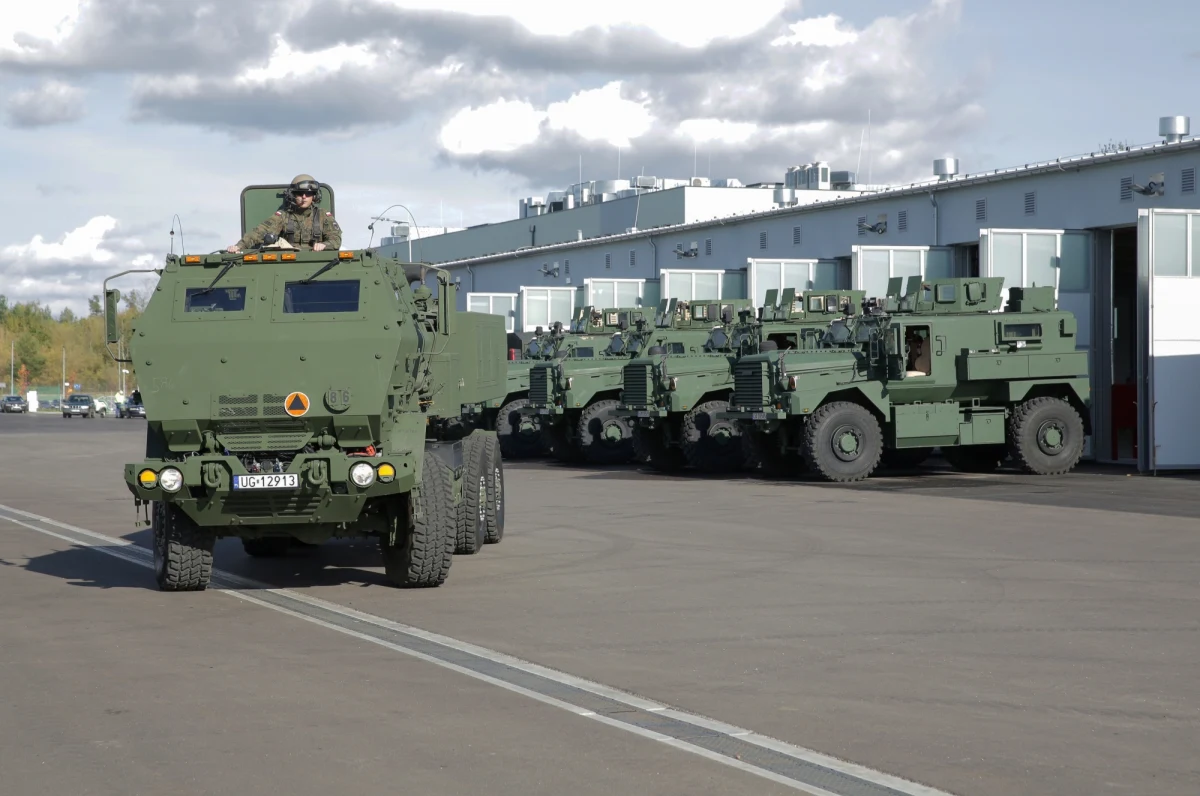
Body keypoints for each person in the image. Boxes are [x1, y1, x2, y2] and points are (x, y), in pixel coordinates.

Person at [227, 174, 342, 252]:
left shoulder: (322, 215)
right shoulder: (283, 216)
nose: (304, 197)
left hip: (317, 262)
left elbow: (336, 238)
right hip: (290, 262)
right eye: (299, 193)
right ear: (293, 195)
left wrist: (325, 245)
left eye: (309, 194)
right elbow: (259, 233)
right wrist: (239, 246)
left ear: (315, 196)